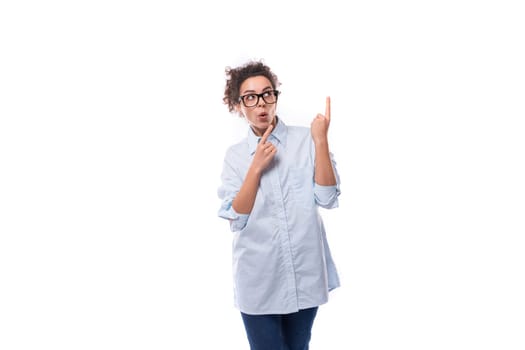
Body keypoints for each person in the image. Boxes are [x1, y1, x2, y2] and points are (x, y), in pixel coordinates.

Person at [217, 60, 341, 350]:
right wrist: (256, 167)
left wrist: (321, 140)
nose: (261, 103)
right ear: (238, 105)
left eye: (267, 93)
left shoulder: (306, 140)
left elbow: (327, 197)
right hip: (259, 278)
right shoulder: (235, 157)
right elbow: (237, 217)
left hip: (305, 273)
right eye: (250, 97)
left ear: (275, 96)